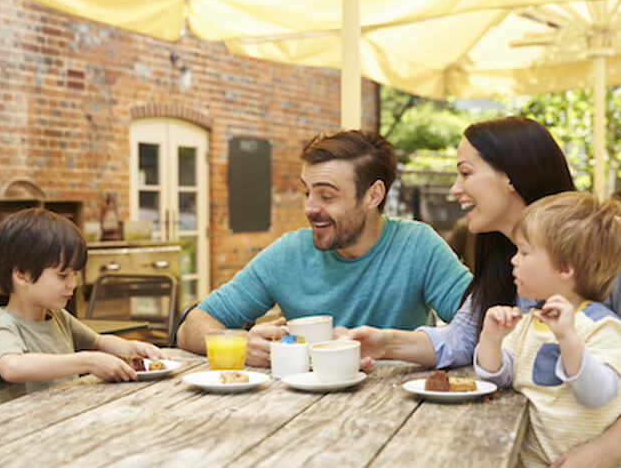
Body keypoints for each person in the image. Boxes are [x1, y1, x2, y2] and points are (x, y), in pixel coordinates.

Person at [340, 116, 621, 468]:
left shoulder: (605, 254)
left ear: (511, 176)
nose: (454, 189)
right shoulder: (506, 259)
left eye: (466, 173)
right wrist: (385, 344)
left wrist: (605, 451)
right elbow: (461, 338)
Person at [176, 129, 472, 366]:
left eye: (327, 196)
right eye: (307, 192)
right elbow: (191, 326)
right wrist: (239, 345)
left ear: (373, 195)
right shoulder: (288, 253)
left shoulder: (417, 245)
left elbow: (478, 322)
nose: (309, 208)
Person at [474, 191, 621, 468]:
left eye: (525, 252)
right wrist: (491, 340)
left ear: (565, 268)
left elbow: (598, 394)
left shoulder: (603, 326)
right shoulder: (530, 322)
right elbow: (497, 379)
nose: (514, 260)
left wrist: (568, 338)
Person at [0, 208, 166, 407]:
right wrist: (88, 361)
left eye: (75, 274)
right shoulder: (3, 326)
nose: (73, 284)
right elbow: (11, 367)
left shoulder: (58, 317)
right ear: (22, 275)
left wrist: (131, 347)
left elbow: (98, 341)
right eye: (63, 276)